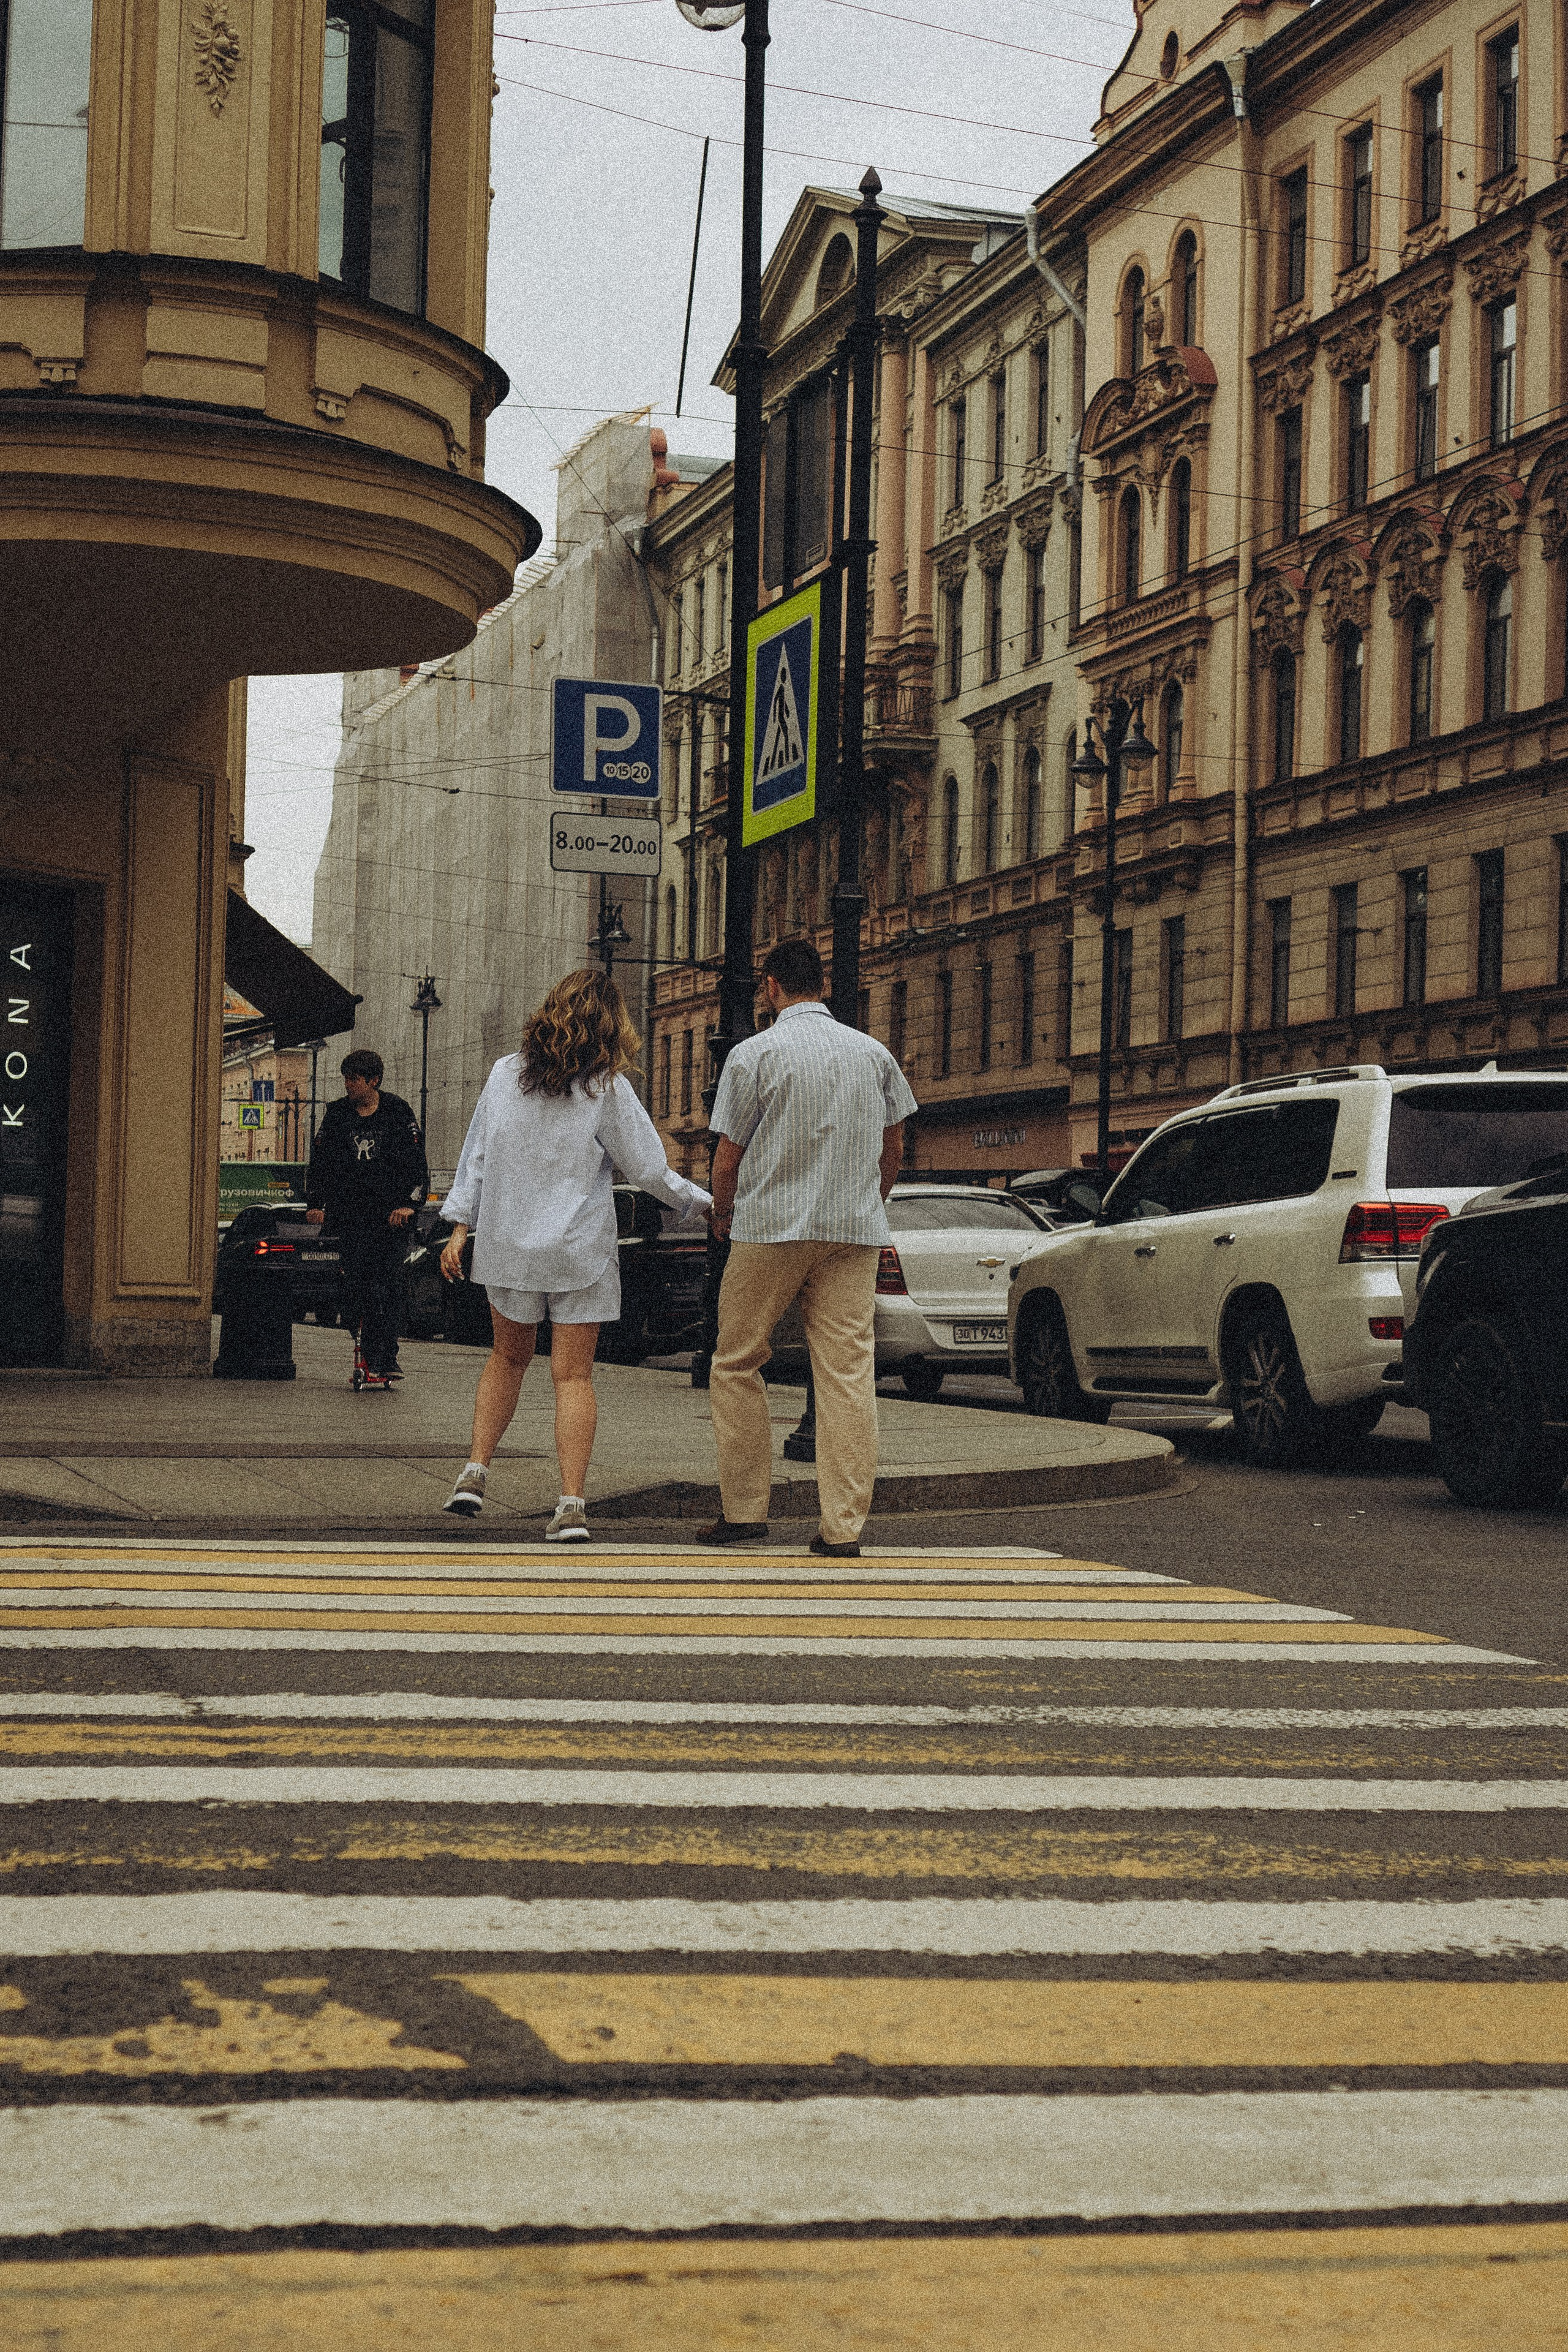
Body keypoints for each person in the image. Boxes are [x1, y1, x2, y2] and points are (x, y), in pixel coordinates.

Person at [438, 968, 711, 1539]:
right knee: (573, 1378)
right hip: (578, 1252)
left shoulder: (503, 1076)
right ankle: (570, 1506)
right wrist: (704, 1204)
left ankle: (473, 1472)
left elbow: (476, 1158)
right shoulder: (606, 1087)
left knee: (506, 1359)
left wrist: (461, 1227)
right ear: (611, 1025)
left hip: (509, 1245)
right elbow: (648, 1170)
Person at [704, 937, 917, 1558]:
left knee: (737, 1359)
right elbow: (894, 1144)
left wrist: (723, 1211)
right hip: (852, 1231)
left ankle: (744, 1512)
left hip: (770, 1226)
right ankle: (842, 1528)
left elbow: (728, 1155)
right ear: (822, 985)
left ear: (771, 987)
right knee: (847, 1372)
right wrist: (869, 1201)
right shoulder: (873, 1054)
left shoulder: (754, 1055)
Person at [305, 1048, 428, 1390]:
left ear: (374, 1081)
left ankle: (384, 1357)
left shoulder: (397, 1111)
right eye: (346, 1079)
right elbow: (321, 1161)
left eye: (355, 1079)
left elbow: (416, 1162)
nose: (348, 1085)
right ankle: (370, 1345)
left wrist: (409, 1204)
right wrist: (317, 1202)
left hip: (389, 1218)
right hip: (351, 1216)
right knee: (355, 1288)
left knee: (387, 1286)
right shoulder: (338, 1114)